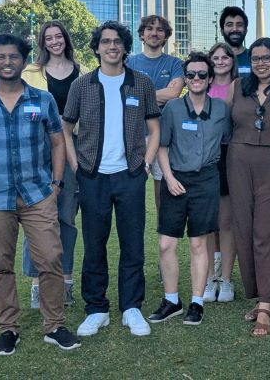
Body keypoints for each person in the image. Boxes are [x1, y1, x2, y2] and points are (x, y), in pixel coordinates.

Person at [0, 34, 81, 354]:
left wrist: (56, 184)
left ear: (23, 61)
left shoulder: (42, 99)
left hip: (37, 194)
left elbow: (58, 142)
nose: (7, 62)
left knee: (50, 259)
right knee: (1, 265)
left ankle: (54, 325)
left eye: (13, 57)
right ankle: (8, 328)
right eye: (0, 57)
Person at [63, 21, 160, 338]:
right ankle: (96, 309)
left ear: (125, 46)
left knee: (133, 245)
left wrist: (144, 166)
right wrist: (77, 167)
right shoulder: (83, 84)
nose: (112, 46)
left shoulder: (141, 83)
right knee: (94, 245)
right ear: (97, 47)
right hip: (93, 176)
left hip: (130, 175)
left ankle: (132, 307)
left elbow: (155, 129)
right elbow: (66, 129)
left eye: (117, 41)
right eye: (105, 41)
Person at [148, 52, 231, 327]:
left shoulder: (220, 109)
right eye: (192, 74)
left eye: (202, 75)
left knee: (198, 243)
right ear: (185, 79)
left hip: (206, 180)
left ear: (209, 79)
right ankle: (172, 300)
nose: (197, 79)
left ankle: (196, 302)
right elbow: (161, 145)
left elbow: (228, 140)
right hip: (176, 180)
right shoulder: (172, 108)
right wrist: (169, 178)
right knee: (165, 243)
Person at [225, 37, 270, 337]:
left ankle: (266, 305)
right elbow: (221, 123)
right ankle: (258, 294)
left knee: (269, 231)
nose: (261, 63)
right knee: (244, 229)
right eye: (255, 58)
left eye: (266, 57)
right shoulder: (237, 87)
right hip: (238, 163)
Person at [20, 21, 81, 309]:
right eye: (49, 38)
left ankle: (65, 283)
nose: (55, 41)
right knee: (38, 218)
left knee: (66, 218)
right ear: (43, 43)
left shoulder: (82, 73)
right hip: (37, 151)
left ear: (66, 40)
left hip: (72, 149)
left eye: (59, 37)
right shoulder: (30, 74)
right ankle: (37, 286)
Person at [126, 15, 183, 215]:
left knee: (162, 188)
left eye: (159, 29)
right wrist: (158, 96)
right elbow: (124, 96)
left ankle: (163, 236)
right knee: (131, 188)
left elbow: (174, 93)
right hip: (134, 133)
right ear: (142, 34)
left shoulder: (175, 63)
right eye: (149, 28)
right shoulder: (130, 63)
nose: (154, 33)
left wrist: (139, 96)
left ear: (165, 35)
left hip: (163, 135)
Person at [201, 43, 239, 304]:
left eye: (225, 56)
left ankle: (226, 278)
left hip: (229, 154)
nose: (221, 60)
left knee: (226, 222)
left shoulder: (240, 85)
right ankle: (209, 278)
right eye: (215, 57)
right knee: (207, 223)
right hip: (204, 156)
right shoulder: (201, 81)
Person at [219, 6, 252, 76]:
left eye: (239, 25)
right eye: (229, 25)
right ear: (222, 31)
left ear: (246, 30)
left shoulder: (255, 58)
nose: (234, 29)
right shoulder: (212, 60)